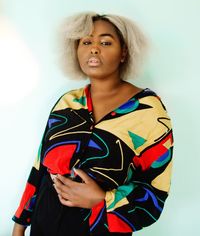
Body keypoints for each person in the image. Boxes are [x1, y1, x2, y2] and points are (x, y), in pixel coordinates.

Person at [12, 12, 173, 236]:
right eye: (86, 42)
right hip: (43, 223)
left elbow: (155, 190)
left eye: (106, 42)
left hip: (99, 229)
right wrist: (19, 226)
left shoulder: (147, 110)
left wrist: (101, 199)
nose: (94, 49)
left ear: (124, 52)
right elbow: (40, 168)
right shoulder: (67, 102)